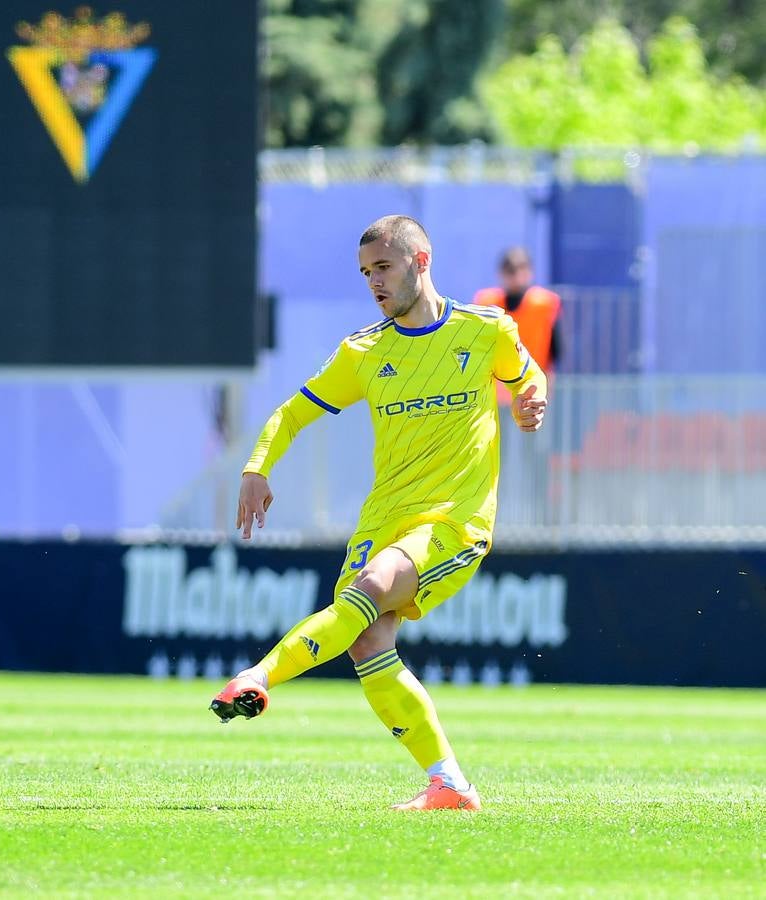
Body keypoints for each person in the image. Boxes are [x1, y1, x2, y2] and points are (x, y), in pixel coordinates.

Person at [209, 215, 548, 812]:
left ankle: (258, 676)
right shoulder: (364, 351)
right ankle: (449, 784)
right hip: (383, 520)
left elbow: (528, 376)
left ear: (421, 261)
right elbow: (291, 415)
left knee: (370, 589)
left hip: (453, 521)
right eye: (366, 273)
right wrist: (256, 468)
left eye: (384, 268)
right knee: (366, 641)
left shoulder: (485, 330)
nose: (374, 283)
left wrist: (530, 400)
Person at [473, 247, 561, 404]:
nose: (517, 276)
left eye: (521, 269)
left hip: (532, 385)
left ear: (530, 271)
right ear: (502, 273)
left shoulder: (544, 304)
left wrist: (549, 379)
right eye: (511, 270)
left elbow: (555, 347)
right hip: (495, 389)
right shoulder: (488, 304)